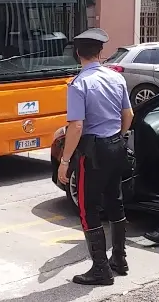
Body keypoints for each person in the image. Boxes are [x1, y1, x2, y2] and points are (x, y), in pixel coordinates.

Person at [57, 28, 134, 286]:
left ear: (78, 53)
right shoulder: (116, 79)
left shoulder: (79, 84)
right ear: (100, 52)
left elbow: (76, 126)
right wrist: (117, 138)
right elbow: (129, 116)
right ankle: (119, 259)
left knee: (88, 208)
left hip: (94, 152)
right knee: (115, 201)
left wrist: (65, 161)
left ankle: (101, 269)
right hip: (115, 146)